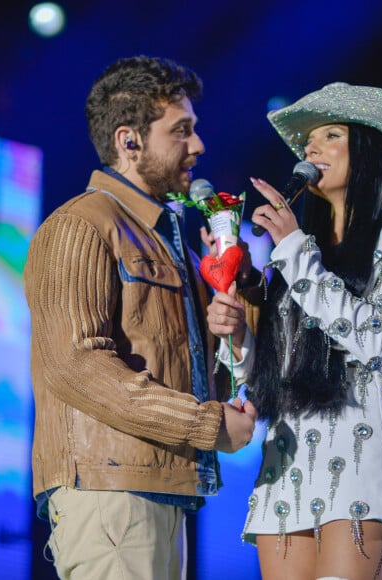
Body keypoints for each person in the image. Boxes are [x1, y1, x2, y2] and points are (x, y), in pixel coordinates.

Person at [23, 55, 258, 580]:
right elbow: (76, 365)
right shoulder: (79, 225)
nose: (198, 146)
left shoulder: (164, 240)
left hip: (157, 486)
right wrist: (207, 423)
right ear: (129, 141)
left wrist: (234, 323)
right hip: (109, 492)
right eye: (182, 131)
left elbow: (191, 372)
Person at [207, 82, 382, 580]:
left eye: (331, 136)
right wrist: (235, 336)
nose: (311, 149)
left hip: (360, 459)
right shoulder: (299, 250)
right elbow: (270, 373)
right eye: (308, 141)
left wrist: (294, 248)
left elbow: (375, 337)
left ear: (368, 149)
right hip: (286, 458)